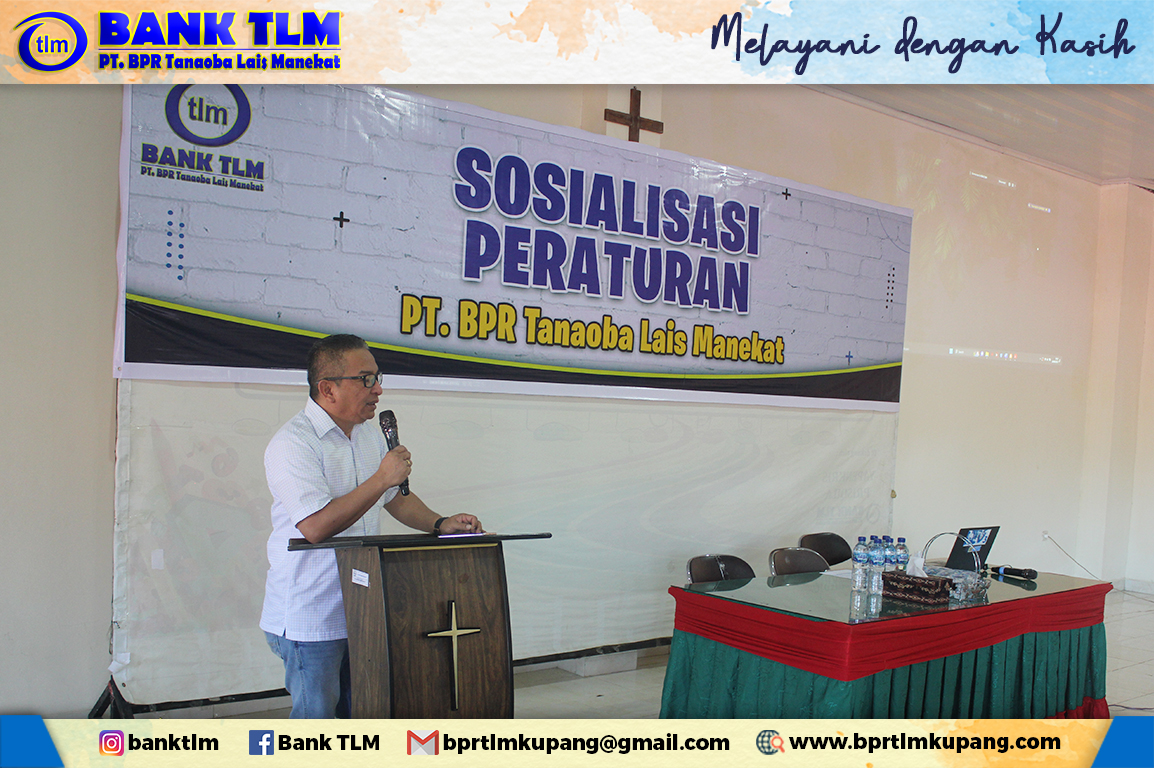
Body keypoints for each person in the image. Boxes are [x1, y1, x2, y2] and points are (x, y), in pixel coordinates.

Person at [259, 333, 482, 718]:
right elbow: (315, 526)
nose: (377, 389)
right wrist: (381, 478)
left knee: (360, 716)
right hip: (311, 616)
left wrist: (440, 523)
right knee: (316, 726)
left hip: (362, 608)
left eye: (377, 377)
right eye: (365, 379)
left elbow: (394, 497)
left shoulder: (367, 435)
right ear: (327, 389)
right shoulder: (293, 443)